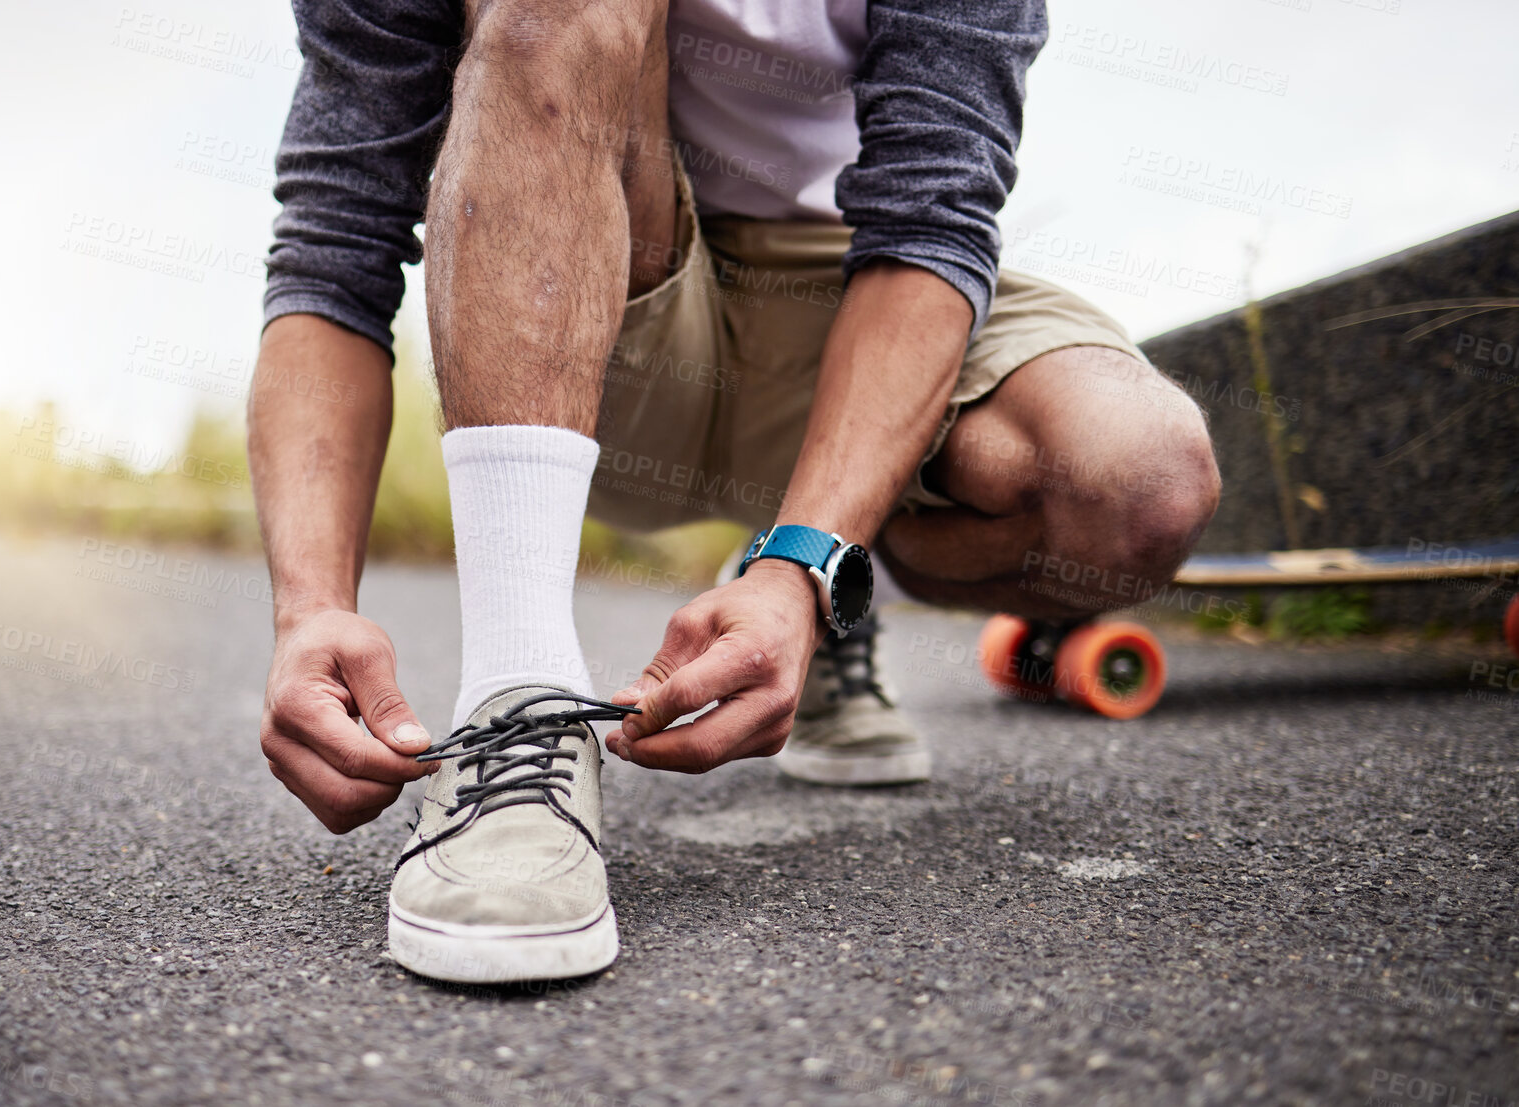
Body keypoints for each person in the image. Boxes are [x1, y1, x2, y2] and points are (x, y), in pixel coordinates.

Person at [248, 0, 1220, 983]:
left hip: (859, 294)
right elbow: (335, 246)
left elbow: (934, 217)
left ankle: (821, 578)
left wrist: (805, 568)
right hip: (597, 289)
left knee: (1138, 483)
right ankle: (518, 708)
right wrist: (310, 608)